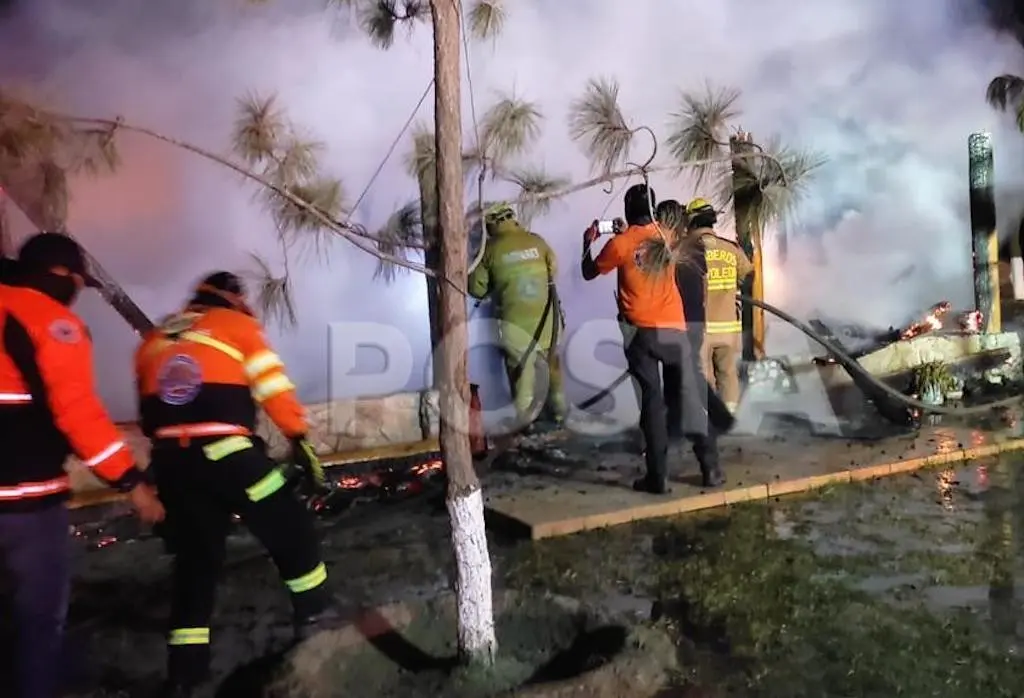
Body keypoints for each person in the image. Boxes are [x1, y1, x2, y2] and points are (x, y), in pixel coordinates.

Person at [134, 272, 338, 697]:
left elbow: (149, 412)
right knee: (291, 528)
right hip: (227, 456)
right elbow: (274, 389)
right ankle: (317, 620)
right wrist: (300, 439)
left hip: (172, 466)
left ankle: (185, 673)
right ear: (235, 299)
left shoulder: (154, 338)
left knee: (195, 563)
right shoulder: (237, 327)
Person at [0, 232, 165, 698]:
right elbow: (78, 414)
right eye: (77, 281)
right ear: (62, 275)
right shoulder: (47, 319)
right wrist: (133, 484)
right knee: (39, 618)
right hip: (22, 500)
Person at [581, 184, 729, 493]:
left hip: (642, 334)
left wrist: (588, 243)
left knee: (652, 402)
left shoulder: (620, 245)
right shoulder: (668, 236)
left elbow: (589, 272)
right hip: (675, 332)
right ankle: (711, 468)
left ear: (626, 209)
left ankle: (658, 477)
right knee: (691, 400)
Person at [468, 202, 567, 430]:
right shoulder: (537, 241)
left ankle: (525, 422)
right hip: (548, 321)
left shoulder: (489, 250)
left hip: (515, 325)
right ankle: (560, 415)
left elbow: (477, 289)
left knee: (522, 371)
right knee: (551, 365)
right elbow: (554, 271)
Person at [685, 198, 753, 413]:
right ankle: (729, 418)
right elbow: (749, 274)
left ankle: (707, 418)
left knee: (702, 375)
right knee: (727, 373)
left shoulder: (684, 251)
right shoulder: (730, 249)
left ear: (692, 222)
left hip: (700, 329)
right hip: (728, 327)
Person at [656, 199, 708, 437]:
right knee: (688, 373)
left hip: (678, 322)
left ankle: (681, 427)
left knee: (676, 377)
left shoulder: (665, 252)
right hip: (696, 320)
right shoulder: (695, 248)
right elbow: (703, 285)